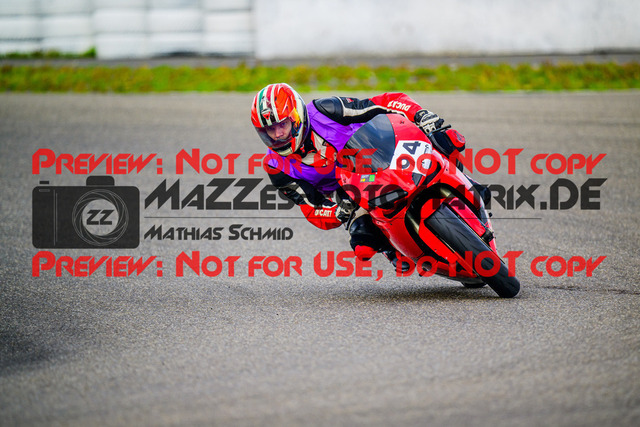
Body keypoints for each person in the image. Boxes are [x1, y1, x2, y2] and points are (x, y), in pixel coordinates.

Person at [250, 82, 477, 270]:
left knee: (448, 140)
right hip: (348, 192)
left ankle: (465, 183)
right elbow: (311, 207)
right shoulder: (275, 166)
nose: (278, 134)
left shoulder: (325, 110)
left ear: (296, 117)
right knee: (363, 246)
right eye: (270, 130)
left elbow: (382, 104)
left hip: (377, 153)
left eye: (282, 125)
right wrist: (336, 212)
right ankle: (393, 247)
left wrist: (421, 115)